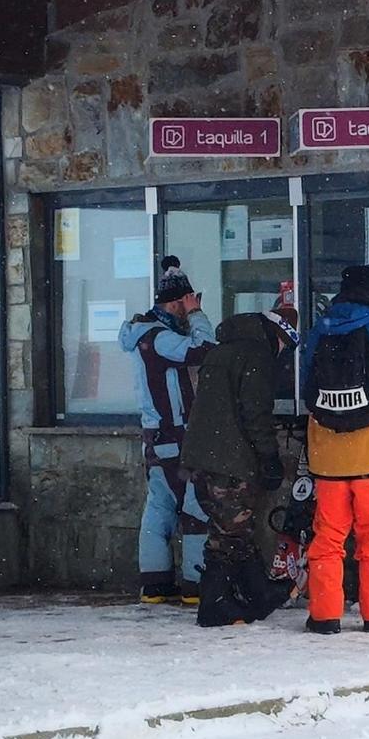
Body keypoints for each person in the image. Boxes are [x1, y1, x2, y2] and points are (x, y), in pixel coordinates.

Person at [300, 266, 369, 634]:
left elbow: (306, 386)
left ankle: (324, 615)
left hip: (329, 457)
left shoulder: (319, 330)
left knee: (328, 540)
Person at [179, 306, 301, 628]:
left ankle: (257, 592)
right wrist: (269, 458)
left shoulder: (221, 352)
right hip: (230, 463)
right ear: (278, 336)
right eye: (284, 347)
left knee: (233, 529)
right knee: (228, 535)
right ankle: (215, 603)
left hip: (202, 459)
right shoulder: (257, 356)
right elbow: (255, 414)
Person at [118, 256, 215, 605]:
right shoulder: (160, 338)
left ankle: (156, 584)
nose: (190, 309)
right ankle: (195, 584)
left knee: (159, 509)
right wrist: (197, 316)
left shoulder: (143, 334)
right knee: (194, 509)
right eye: (187, 302)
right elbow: (204, 351)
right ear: (176, 302)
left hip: (156, 436)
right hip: (179, 436)